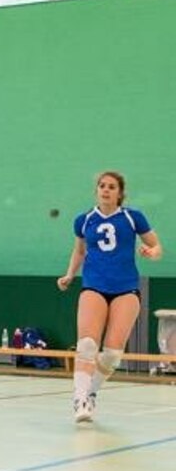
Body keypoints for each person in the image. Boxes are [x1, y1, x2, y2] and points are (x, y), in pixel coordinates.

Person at [57, 171, 162, 423]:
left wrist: (151, 251)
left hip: (125, 288)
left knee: (113, 354)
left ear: (120, 193)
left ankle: (92, 392)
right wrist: (69, 274)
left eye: (111, 187)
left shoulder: (132, 217)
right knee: (87, 345)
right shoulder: (84, 220)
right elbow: (79, 251)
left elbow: (157, 247)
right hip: (94, 285)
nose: (106, 190)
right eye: (102, 186)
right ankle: (80, 399)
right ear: (97, 191)